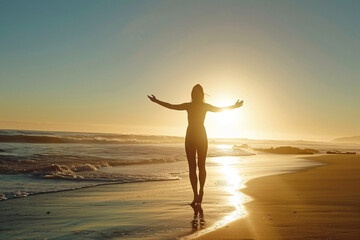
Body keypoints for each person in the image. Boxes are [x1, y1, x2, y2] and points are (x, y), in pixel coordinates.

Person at [148, 84, 243, 207]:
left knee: (201, 165)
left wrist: (234, 106)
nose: (197, 94)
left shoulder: (205, 106)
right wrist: (156, 101)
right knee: (192, 167)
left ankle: (201, 190)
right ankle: (195, 195)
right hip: (190, 137)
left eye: (199, 92)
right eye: (195, 92)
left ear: (201, 94)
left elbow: (220, 109)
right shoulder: (189, 105)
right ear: (193, 94)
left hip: (202, 137)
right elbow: (171, 106)